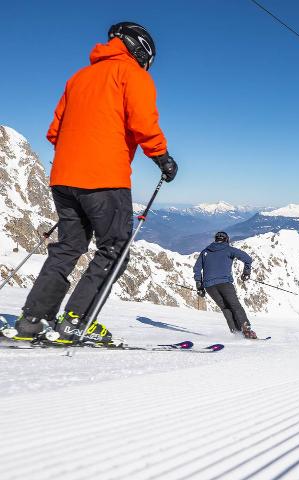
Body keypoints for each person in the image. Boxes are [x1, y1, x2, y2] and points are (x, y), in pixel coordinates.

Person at [12, 22, 177, 344]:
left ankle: (33, 320)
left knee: (68, 248)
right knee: (114, 249)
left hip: (63, 178)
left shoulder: (78, 78)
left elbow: (54, 132)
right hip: (104, 178)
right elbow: (142, 122)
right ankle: (77, 322)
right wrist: (162, 158)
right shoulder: (132, 75)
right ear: (141, 50)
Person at [193, 232, 256, 338]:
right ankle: (246, 330)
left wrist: (199, 286)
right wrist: (246, 273)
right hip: (224, 283)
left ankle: (236, 333)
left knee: (225, 308)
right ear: (227, 240)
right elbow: (248, 259)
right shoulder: (229, 250)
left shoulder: (205, 252)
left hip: (209, 286)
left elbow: (197, 269)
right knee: (235, 305)